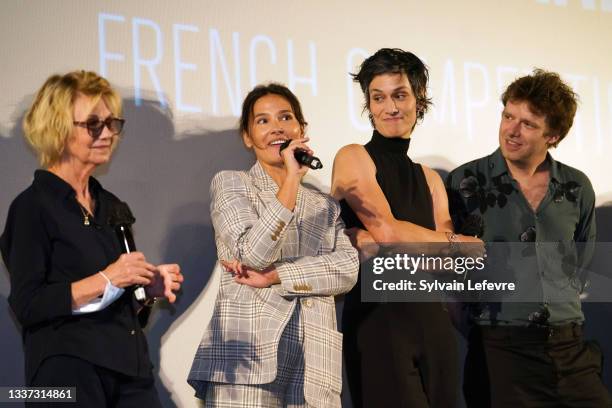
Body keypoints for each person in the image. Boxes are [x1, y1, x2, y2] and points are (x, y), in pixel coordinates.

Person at [0, 70, 184, 408]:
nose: (107, 134)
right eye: (93, 125)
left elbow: (121, 307)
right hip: (66, 375)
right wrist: (106, 278)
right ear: (57, 129)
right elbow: (28, 305)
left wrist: (145, 293)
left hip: (130, 371)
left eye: (111, 124)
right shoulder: (32, 207)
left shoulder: (111, 206)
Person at [446, 69, 612, 407]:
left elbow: (580, 262)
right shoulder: (465, 182)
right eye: (509, 115)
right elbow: (449, 271)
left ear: (553, 135)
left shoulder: (576, 186)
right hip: (498, 349)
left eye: (529, 124)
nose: (512, 130)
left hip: (569, 349)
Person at [187, 83, 359, 407]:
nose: (276, 127)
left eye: (285, 117)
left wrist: (276, 275)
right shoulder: (232, 184)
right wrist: (292, 180)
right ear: (247, 137)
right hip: (247, 363)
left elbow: (347, 271)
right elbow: (252, 253)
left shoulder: (326, 206)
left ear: (301, 129)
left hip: (314, 370)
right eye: (262, 121)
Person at [331, 48, 481, 408]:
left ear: (419, 98)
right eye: (378, 98)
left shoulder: (429, 178)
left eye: (399, 95)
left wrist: (435, 248)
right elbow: (386, 231)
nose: (390, 108)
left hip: (434, 324)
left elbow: (446, 265)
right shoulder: (352, 156)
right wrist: (458, 242)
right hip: (379, 324)